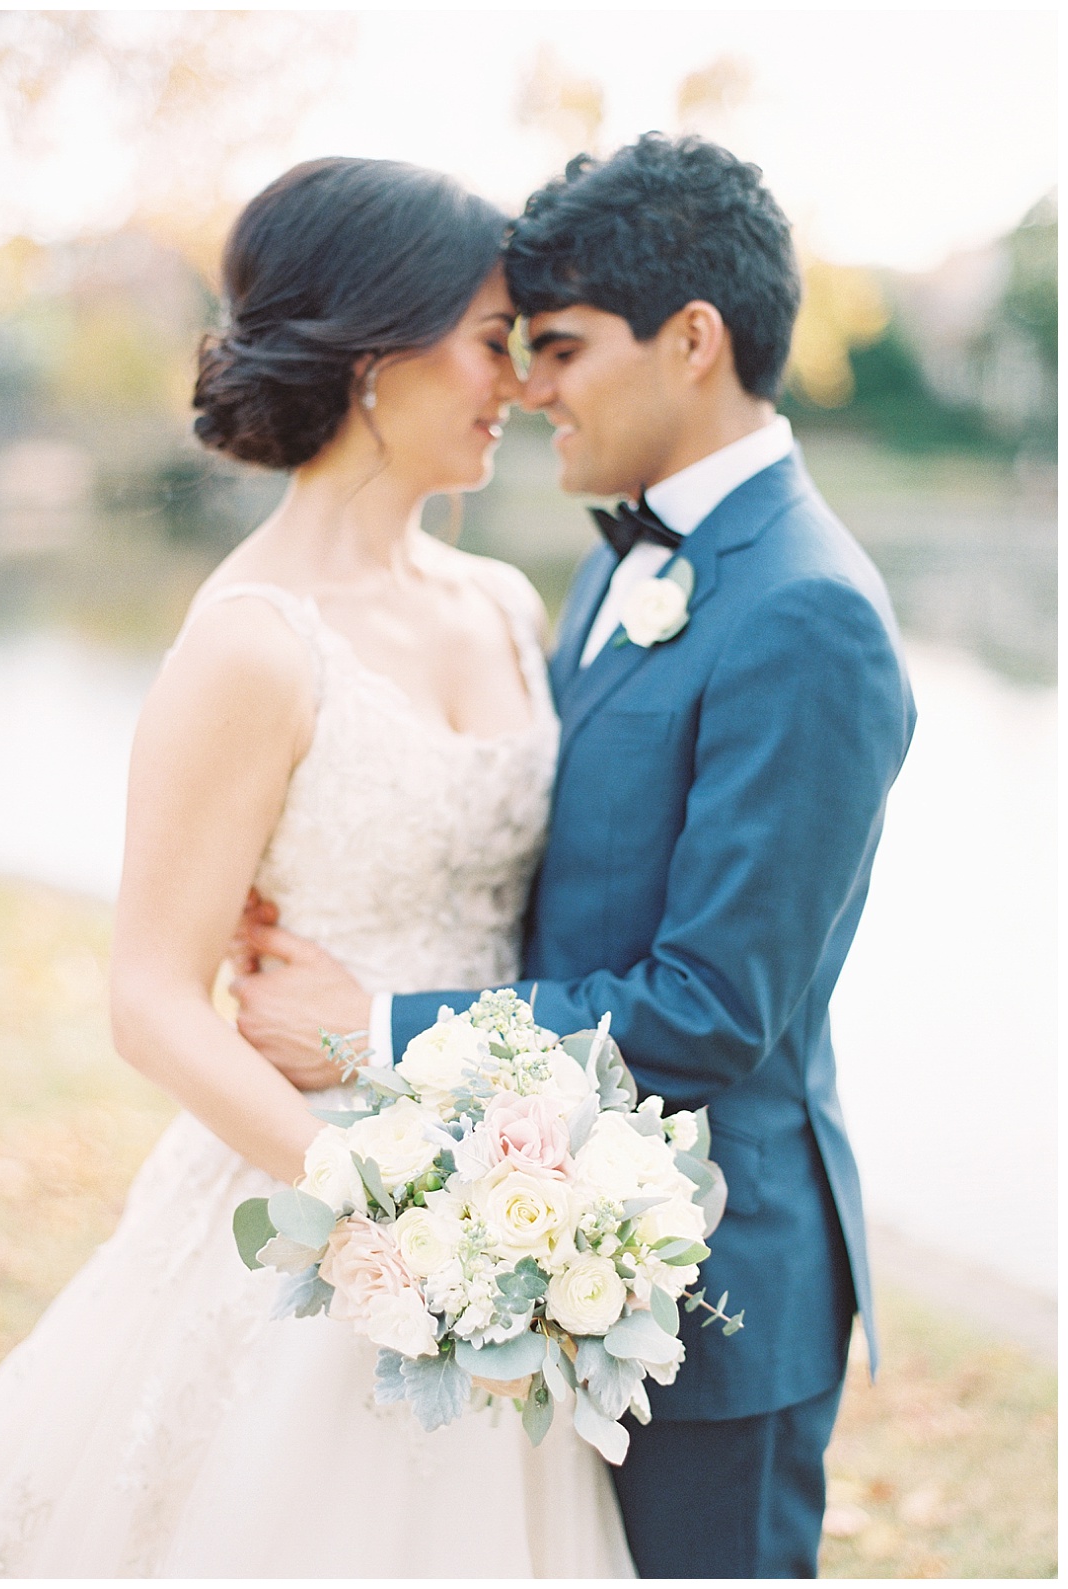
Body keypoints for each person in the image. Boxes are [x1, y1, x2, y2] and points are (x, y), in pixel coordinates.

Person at [0, 157, 634, 1579]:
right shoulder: (252, 642)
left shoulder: (503, 603)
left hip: (513, 1184)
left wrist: (513, 1196)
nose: (521, 385)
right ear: (373, 355)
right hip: (322, 1203)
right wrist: (391, 1205)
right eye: (491, 341)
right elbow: (151, 998)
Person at [231, 134, 918, 1579]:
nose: (529, 385)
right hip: (535, 1238)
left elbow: (709, 1011)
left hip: (710, 1289)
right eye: (518, 347)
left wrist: (377, 1029)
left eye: (559, 346)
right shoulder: (622, 561)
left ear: (691, 341)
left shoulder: (810, 615)